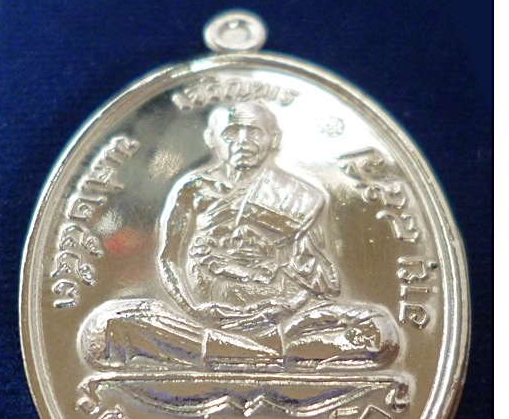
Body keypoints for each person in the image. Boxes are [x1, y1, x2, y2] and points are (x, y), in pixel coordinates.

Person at [80, 102, 399, 372]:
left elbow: (320, 279)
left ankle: (228, 352)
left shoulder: (302, 196)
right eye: (232, 132)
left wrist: (278, 311)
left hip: (281, 322)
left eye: (254, 132)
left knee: (376, 330)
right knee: (111, 325)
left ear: (273, 139)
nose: (243, 141)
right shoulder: (194, 190)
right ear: (212, 139)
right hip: (200, 322)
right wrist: (192, 309)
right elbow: (169, 259)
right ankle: (264, 354)